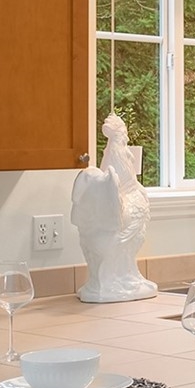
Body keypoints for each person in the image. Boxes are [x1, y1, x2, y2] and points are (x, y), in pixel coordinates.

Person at [71, 114, 157, 302]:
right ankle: (111, 279)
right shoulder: (116, 172)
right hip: (116, 229)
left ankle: (123, 276)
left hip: (115, 225)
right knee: (122, 239)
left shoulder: (118, 165)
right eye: (125, 139)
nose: (129, 151)